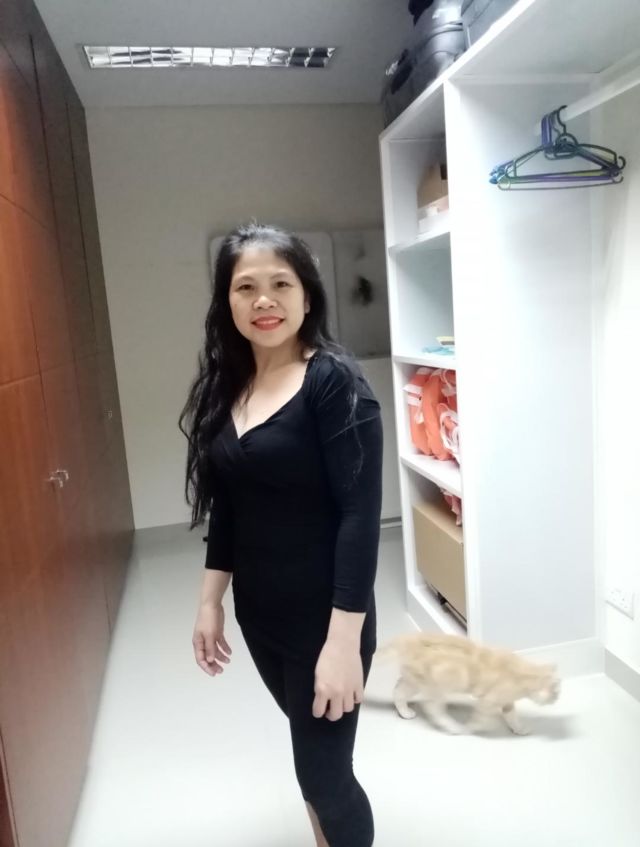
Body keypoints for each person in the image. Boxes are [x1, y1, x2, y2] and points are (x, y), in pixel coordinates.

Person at [179, 222, 383, 847]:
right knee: (311, 763)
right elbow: (230, 506)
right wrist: (210, 602)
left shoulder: (333, 382)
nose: (263, 300)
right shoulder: (229, 386)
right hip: (261, 616)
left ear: (307, 295)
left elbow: (360, 517)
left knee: (326, 776)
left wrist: (343, 644)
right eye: (246, 287)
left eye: (280, 284)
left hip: (326, 618)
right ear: (227, 300)